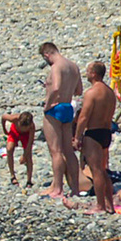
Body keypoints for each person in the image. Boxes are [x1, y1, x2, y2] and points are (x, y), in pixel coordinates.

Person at [39, 40, 83, 198]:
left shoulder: (56, 66)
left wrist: (48, 104)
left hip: (55, 109)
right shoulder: (73, 66)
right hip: (67, 107)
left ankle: (57, 188)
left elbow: (56, 87)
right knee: (69, 151)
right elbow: (79, 91)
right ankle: (75, 189)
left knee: (55, 151)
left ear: (47, 55)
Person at [73, 60, 117, 215]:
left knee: (96, 170)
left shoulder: (92, 93)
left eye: (87, 71)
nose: (86, 74)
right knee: (104, 170)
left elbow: (84, 117)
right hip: (106, 132)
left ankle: (100, 205)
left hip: (94, 133)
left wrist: (77, 137)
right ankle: (110, 204)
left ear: (93, 74)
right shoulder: (110, 92)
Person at [2, 109, 37, 187]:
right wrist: (5, 130)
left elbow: (30, 143)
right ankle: (12, 176)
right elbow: (3, 117)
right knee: (9, 149)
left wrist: (24, 155)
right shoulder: (14, 118)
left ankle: (29, 180)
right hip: (15, 131)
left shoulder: (31, 127)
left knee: (28, 156)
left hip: (26, 136)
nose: (23, 128)